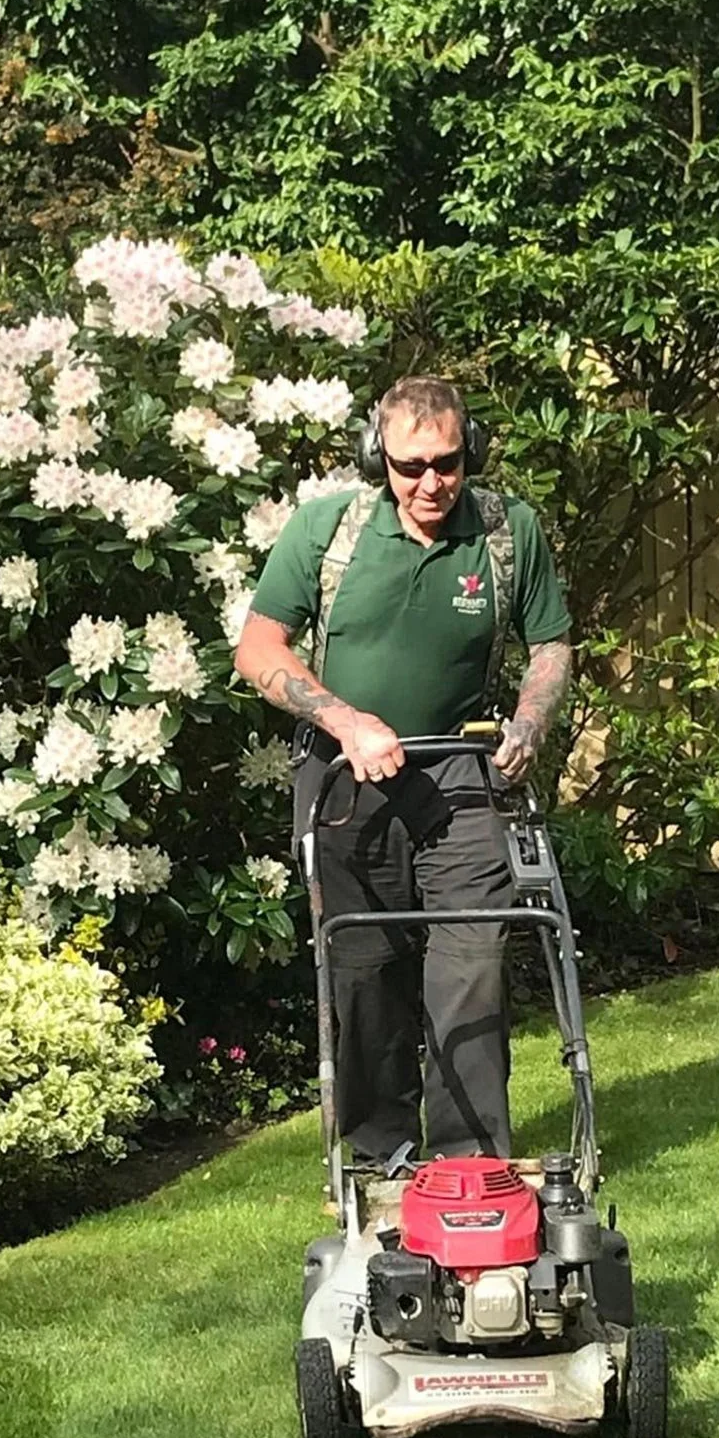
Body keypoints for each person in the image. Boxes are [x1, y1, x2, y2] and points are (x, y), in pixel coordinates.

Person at [234, 375, 572, 1163]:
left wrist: (529, 719)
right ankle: (381, 1155)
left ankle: (470, 1162)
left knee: (472, 963)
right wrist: (345, 720)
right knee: (366, 971)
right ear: (374, 456)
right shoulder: (328, 530)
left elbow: (551, 643)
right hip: (346, 780)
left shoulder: (506, 532)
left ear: (471, 452)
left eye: (448, 463)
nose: (431, 484)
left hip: (459, 773)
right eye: (410, 466)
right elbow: (257, 648)